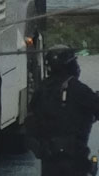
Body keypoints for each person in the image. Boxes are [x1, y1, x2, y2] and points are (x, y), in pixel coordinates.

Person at [27, 46, 99, 175]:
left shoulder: (41, 90)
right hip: (74, 161)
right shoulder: (79, 90)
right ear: (70, 65)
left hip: (48, 160)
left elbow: (31, 120)